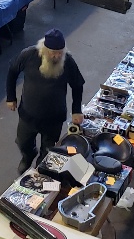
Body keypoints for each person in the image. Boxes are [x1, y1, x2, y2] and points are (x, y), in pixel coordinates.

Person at [6, 28, 85, 174]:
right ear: (44, 49)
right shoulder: (28, 55)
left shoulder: (67, 61)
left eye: (60, 52)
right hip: (28, 115)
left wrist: (76, 110)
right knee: (23, 142)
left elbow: (77, 85)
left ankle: (40, 168)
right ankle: (28, 156)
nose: (57, 56)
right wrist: (11, 97)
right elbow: (12, 71)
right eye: (53, 52)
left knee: (48, 149)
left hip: (54, 118)